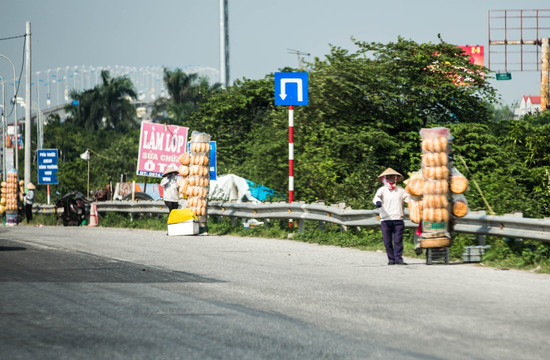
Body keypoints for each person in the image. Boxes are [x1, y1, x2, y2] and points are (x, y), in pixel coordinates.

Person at [372, 168, 411, 265]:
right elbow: (376, 197)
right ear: (385, 178)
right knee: (388, 241)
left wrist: (414, 202)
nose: (391, 178)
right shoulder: (382, 190)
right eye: (389, 177)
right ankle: (391, 259)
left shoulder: (401, 190)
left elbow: (408, 199)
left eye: (393, 176)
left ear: (396, 178)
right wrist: (378, 202)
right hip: (386, 219)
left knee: (398, 241)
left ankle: (398, 258)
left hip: (398, 218)